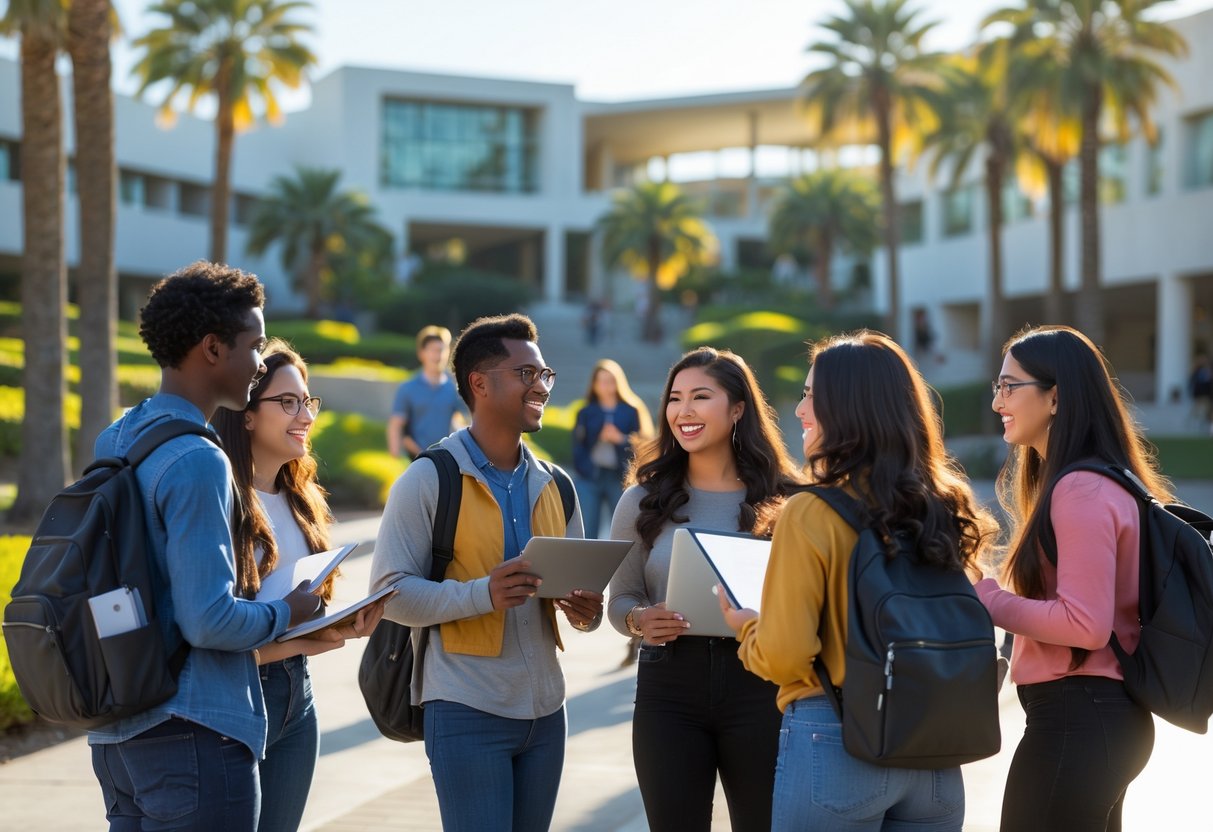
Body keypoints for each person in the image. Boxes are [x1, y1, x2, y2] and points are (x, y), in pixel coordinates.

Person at [718, 330, 998, 831]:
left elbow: (784, 654)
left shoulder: (811, 512)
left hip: (837, 734)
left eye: (810, 395)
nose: (800, 410)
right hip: (936, 752)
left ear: (847, 408)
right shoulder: (941, 504)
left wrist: (746, 628)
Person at [89, 261, 323, 830]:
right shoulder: (199, 458)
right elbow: (207, 621)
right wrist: (287, 611)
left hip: (120, 734)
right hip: (195, 736)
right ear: (213, 349)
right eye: (255, 345)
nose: (260, 362)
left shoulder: (118, 435)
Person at [369, 313, 604, 832]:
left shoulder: (557, 485)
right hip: (465, 711)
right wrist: (483, 594)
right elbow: (389, 595)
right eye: (526, 373)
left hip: (547, 714)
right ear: (479, 383)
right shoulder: (429, 479)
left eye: (544, 375)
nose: (540, 385)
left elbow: (580, 603)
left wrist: (586, 612)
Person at [975, 325, 1170, 831]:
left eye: (1009, 386)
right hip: (1097, 721)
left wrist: (987, 597)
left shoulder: (1080, 488)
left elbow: (1083, 625)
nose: (998, 402)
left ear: (1056, 396)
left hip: (1077, 720)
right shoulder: (1102, 480)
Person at [607, 346, 803, 832]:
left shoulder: (791, 499)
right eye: (675, 399)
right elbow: (622, 598)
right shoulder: (642, 499)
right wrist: (638, 621)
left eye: (700, 396)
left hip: (762, 684)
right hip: (668, 687)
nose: (683, 411)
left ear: (738, 409)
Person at [212, 339, 389, 832]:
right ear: (246, 414)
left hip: (297, 699)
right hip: (237, 699)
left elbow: (296, 613)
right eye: (287, 402)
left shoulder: (301, 500)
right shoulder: (219, 499)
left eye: (307, 401)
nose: (305, 415)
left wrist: (340, 628)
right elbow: (215, 641)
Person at [572, 359, 654, 539]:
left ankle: (621, 568)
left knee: (623, 530)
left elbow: (644, 444)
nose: (605, 385)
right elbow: (578, 446)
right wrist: (598, 438)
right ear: (594, 384)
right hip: (590, 475)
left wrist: (621, 439)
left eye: (610, 380)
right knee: (586, 531)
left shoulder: (631, 410)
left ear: (618, 382)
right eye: (600, 381)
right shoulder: (585, 412)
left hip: (620, 476)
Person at [387, 325, 466, 460]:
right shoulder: (408, 388)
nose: (439, 355)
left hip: (446, 460)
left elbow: (462, 421)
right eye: (434, 350)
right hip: (417, 461)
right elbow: (396, 426)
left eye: (442, 350)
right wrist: (394, 458)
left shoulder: (454, 388)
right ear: (421, 353)